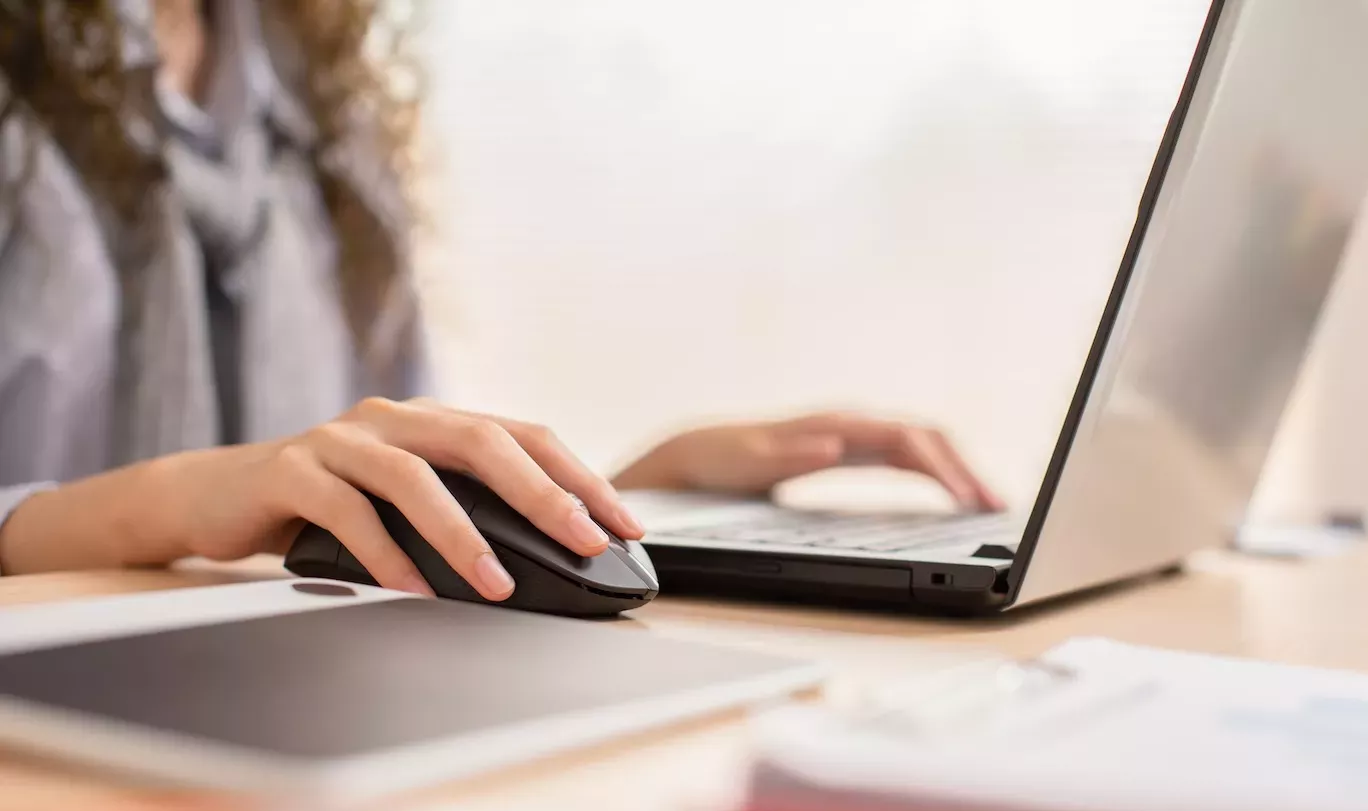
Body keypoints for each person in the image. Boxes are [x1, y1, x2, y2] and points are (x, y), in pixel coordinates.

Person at [0, 1, 998, 600]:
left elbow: (391, 487)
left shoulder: (324, 117)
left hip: (287, 704)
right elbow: (262, 486)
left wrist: (639, 497)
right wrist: (168, 505)